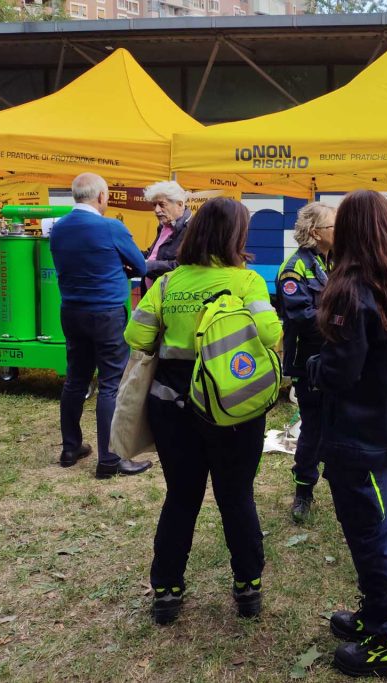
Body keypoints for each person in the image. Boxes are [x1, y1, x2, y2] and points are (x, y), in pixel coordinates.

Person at [124, 197, 282, 625]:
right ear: (236, 236)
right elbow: (270, 334)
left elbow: (136, 335)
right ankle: (248, 588)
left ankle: (167, 592)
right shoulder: (246, 282)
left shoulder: (167, 284)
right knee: (236, 496)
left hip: (172, 407)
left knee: (181, 497)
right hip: (234, 408)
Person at [309, 190, 387, 679]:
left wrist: (314, 367)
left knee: (373, 535)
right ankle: (381, 616)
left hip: (363, 441)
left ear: (353, 232)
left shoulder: (351, 290)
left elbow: (341, 372)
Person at [50, 172, 149, 479]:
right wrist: (121, 268)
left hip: (72, 311)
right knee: (110, 384)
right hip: (107, 313)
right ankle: (109, 459)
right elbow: (142, 266)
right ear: (102, 197)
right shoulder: (110, 227)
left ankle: (70, 448)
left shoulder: (58, 228)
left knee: (75, 380)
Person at [275, 201, 336, 524]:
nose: (338, 232)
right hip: (310, 362)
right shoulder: (294, 269)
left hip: (339, 357)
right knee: (313, 428)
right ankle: (303, 490)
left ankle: (340, 485)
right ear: (316, 232)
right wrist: (344, 321)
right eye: (333, 227)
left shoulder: (337, 261)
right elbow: (302, 317)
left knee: (340, 424)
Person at [142, 181, 191, 287]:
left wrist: (147, 265)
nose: (156, 210)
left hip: (170, 298)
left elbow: (182, 266)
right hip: (152, 296)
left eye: (162, 204)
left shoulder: (191, 228)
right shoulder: (165, 226)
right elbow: (153, 255)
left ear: (179, 204)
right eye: (154, 205)